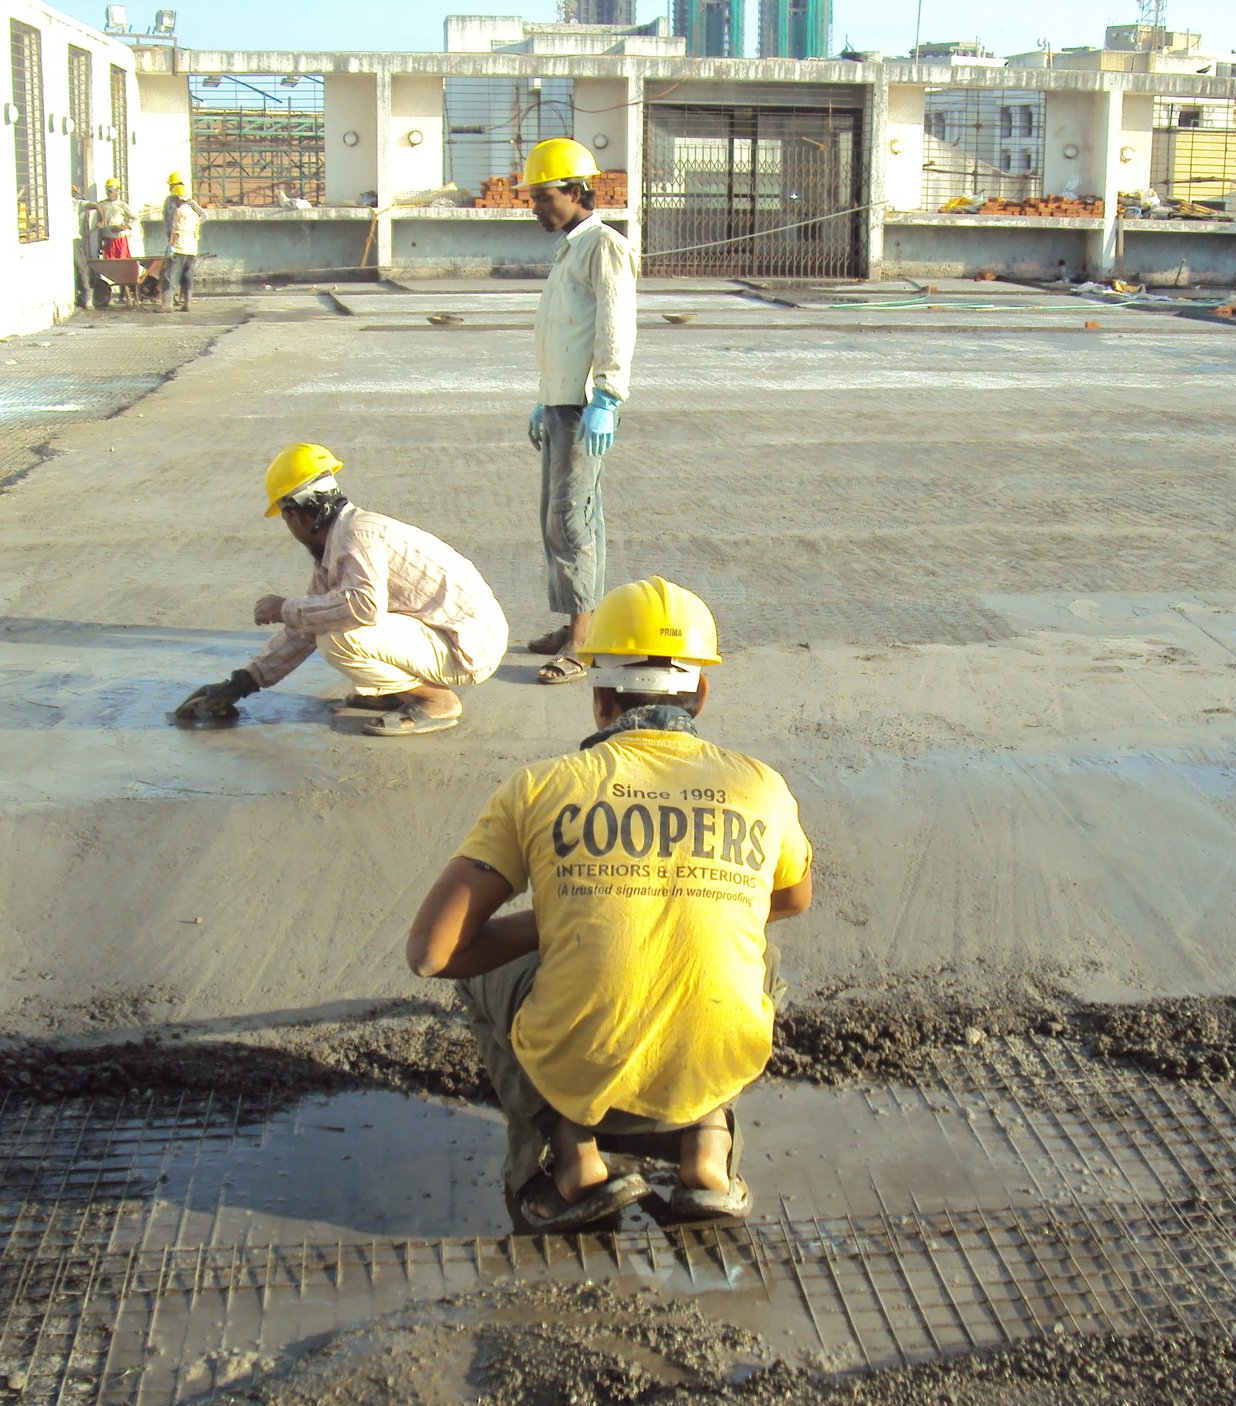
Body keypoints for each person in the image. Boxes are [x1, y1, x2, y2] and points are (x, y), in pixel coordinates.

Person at [405, 577, 815, 1232]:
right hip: (708, 1065)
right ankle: (709, 1149)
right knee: (748, 956)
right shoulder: (759, 786)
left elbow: (432, 952)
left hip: (581, 1067)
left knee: (485, 977)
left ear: (600, 700)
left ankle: (569, 1158)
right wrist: (690, 899)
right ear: (701, 693)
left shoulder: (539, 788)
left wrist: (560, 921)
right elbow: (793, 898)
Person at [174, 444, 507, 737]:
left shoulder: (356, 537)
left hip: (468, 646)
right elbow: (304, 628)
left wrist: (283, 607)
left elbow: (362, 607)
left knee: (337, 638)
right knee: (327, 621)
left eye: (285, 518)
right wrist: (240, 684)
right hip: (455, 635)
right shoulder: (341, 543)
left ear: (295, 515)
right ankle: (397, 691)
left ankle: (435, 699)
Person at [519, 137, 638, 687]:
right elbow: (565, 333)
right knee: (559, 515)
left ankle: (582, 639)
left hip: (587, 406)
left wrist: (607, 397)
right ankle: (573, 622)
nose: (537, 207)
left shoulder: (603, 247)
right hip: (564, 403)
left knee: (572, 519)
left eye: (544, 197)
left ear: (576, 191)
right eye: (534, 198)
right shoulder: (572, 249)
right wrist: (547, 397)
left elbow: (616, 324)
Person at [161, 172, 204, 313]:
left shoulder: (184, 207)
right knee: (187, 275)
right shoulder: (170, 202)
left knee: (170, 274)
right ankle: (187, 303)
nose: (170, 188)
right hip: (191, 246)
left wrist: (172, 245)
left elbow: (177, 229)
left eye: (172, 185)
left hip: (178, 244)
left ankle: (167, 305)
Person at [92, 178, 132, 260]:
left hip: (120, 239)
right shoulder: (101, 205)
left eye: (111, 191)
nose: (109, 193)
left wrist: (125, 227)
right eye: (108, 190)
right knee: (110, 264)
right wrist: (99, 243)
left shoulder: (122, 205)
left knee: (122, 262)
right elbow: (99, 224)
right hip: (107, 240)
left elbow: (135, 219)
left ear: (117, 191)